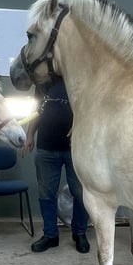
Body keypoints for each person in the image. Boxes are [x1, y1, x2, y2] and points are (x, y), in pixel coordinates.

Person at [22, 77, 90, 254]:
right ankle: (50, 235)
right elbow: (36, 111)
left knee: (80, 193)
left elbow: (93, 109)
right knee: (46, 194)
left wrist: (81, 123)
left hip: (75, 150)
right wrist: (30, 136)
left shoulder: (78, 77)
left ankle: (80, 233)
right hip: (46, 148)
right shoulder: (43, 83)